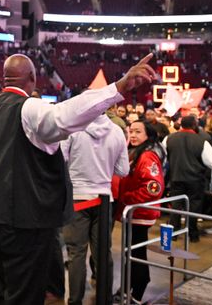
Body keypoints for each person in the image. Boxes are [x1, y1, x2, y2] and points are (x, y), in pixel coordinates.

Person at [0, 53, 155, 305]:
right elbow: (65, 115)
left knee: (4, 287)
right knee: (24, 294)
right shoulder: (28, 107)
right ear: (32, 77)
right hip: (26, 220)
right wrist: (119, 86)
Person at [61, 115, 129, 305]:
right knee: (103, 253)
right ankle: (105, 300)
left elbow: (61, 160)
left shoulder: (74, 126)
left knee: (76, 254)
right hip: (104, 198)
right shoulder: (116, 131)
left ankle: (75, 301)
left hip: (77, 197)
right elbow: (123, 170)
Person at [115, 120, 165, 303]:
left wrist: (128, 198)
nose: (133, 135)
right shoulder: (135, 153)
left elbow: (154, 187)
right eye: (131, 131)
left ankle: (137, 292)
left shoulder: (147, 156)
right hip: (132, 214)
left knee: (136, 254)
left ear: (148, 135)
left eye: (138, 132)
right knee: (131, 252)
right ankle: (129, 288)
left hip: (140, 214)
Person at [162, 114, 212, 242]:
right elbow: (211, 162)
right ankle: (193, 234)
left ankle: (174, 233)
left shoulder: (169, 138)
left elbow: (163, 156)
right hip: (195, 179)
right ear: (194, 125)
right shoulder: (202, 140)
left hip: (176, 177)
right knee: (194, 207)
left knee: (176, 205)